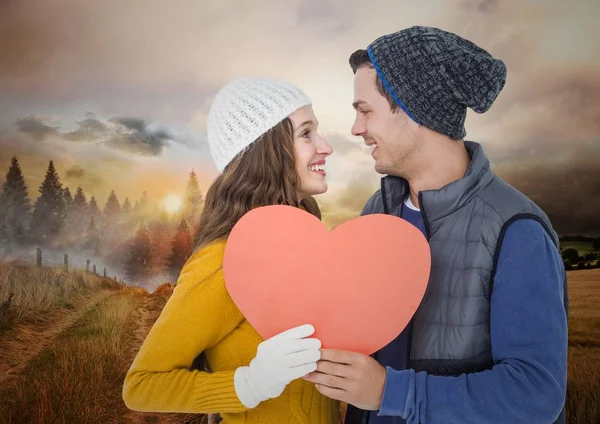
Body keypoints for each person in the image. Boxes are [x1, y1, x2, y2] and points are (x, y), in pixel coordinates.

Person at [303, 26, 568, 424]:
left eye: (365, 110)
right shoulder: (378, 211)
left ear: (414, 108)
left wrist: (393, 393)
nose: (356, 128)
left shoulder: (517, 230)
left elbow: (535, 393)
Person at [122, 76, 340, 424]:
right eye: (306, 133)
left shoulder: (307, 248)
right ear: (266, 150)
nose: (325, 146)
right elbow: (142, 385)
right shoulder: (224, 260)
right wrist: (251, 383)